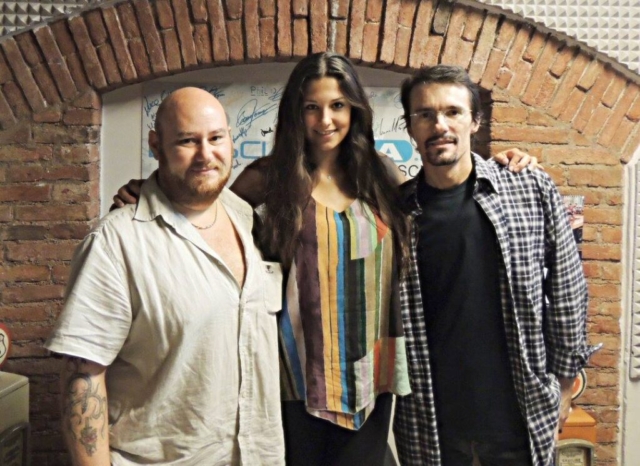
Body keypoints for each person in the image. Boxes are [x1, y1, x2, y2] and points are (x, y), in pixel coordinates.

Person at [112, 53, 535, 466]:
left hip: (370, 377)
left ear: (354, 110)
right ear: (296, 113)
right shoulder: (268, 177)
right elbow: (204, 210)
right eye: (311, 107)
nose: (325, 120)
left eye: (337, 106)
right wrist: (152, 190)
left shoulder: (380, 174)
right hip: (294, 376)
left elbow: (442, 191)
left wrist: (501, 164)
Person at [45, 88, 285, 465]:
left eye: (216, 138)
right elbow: (82, 377)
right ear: (156, 145)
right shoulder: (116, 242)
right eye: (187, 141)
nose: (205, 154)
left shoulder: (246, 218)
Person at [392, 65, 596, 466]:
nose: (439, 125)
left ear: (475, 121)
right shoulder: (395, 211)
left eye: (453, 112)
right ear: (410, 127)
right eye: (425, 114)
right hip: (431, 425)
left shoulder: (528, 188)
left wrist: (565, 387)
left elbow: (568, 290)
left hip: (520, 418)